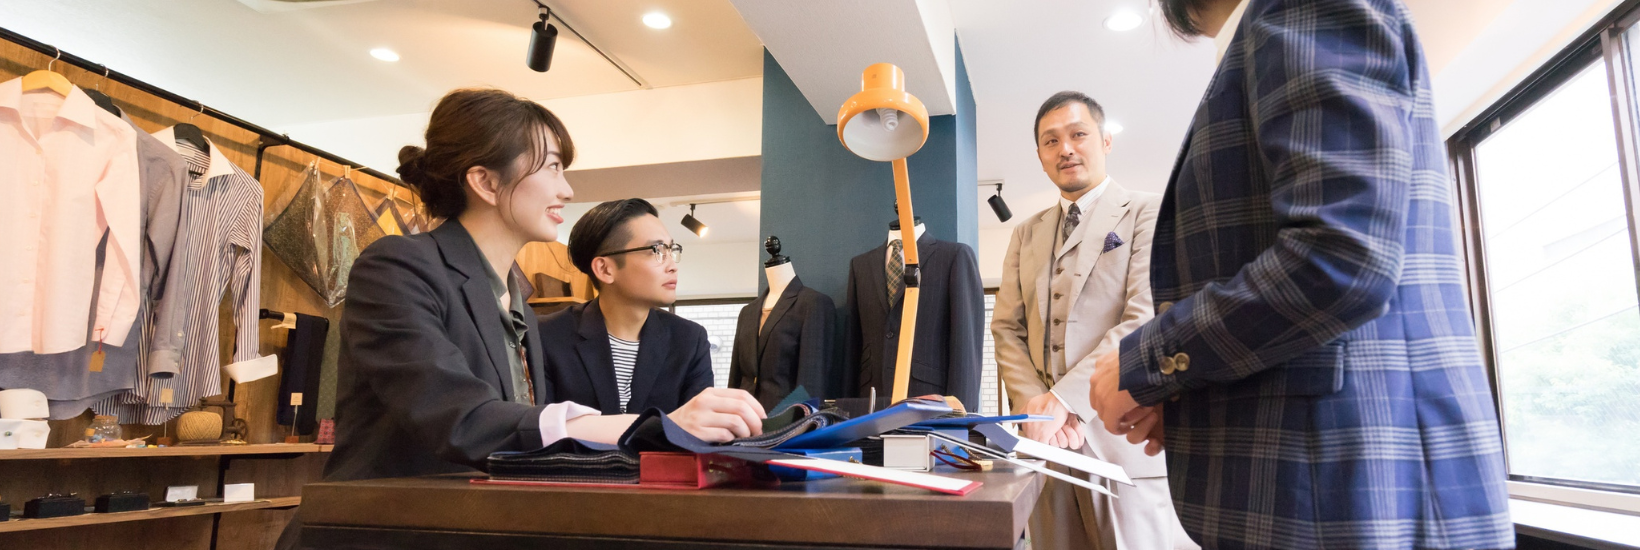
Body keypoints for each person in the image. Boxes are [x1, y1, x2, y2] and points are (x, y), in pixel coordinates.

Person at [1086, 0, 1513, 548]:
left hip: (1353, 489)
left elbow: (1338, 258)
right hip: (1318, 487)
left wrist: (1147, 361)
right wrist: (1194, 395)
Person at [279, 88, 766, 549]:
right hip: (384, 532)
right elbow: (462, 419)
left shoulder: (518, 300)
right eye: (553, 167)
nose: (567, 188)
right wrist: (654, 426)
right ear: (486, 181)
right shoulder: (397, 266)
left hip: (474, 528)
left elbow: (524, 445)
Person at [993, 91, 1193, 550]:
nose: (1065, 148)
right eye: (1051, 141)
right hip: (1047, 446)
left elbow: (1143, 315)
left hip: (1123, 442)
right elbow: (1007, 328)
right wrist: (1036, 410)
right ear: (1041, 157)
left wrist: (1065, 400)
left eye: (1078, 134)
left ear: (1104, 141)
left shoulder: (1148, 210)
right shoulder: (1024, 233)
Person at [536, 199, 714, 415]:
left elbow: (697, 431)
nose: (672, 266)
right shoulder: (547, 336)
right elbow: (541, 431)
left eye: (671, 249)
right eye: (657, 250)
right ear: (605, 269)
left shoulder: (689, 340)